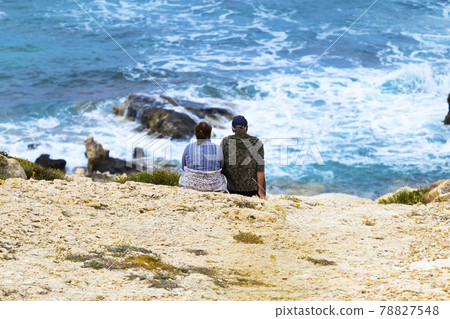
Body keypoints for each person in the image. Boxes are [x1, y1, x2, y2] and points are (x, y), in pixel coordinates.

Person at [221, 115, 266, 199]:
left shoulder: (226, 141)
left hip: (231, 190)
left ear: (232, 129)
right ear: (246, 128)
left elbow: (220, 164)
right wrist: (261, 192)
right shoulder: (256, 142)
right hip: (252, 191)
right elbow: (260, 169)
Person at [179, 122, 227, 193]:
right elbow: (221, 166)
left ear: (196, 133)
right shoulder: (217, 148)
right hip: (213, 187)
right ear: (210, 134)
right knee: (223, 178)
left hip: (190, 185)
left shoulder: (188, 147)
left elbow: (183, 167)